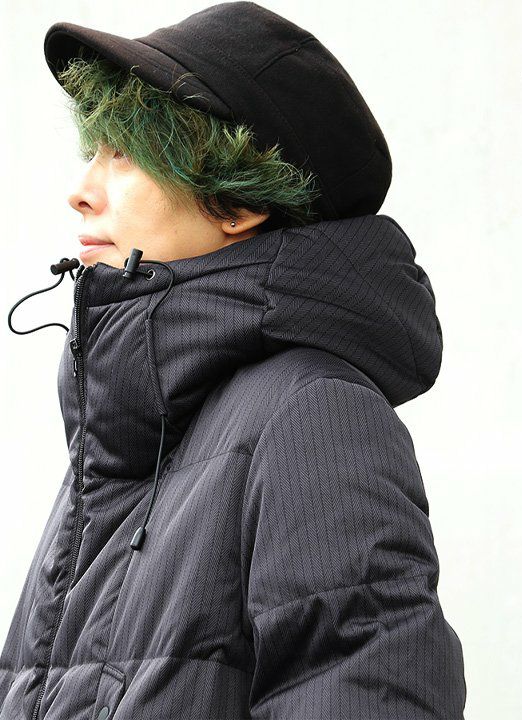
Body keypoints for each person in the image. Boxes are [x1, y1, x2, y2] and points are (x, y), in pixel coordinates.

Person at [0, 3, 467, 719]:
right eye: (94, 152)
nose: (82, 191)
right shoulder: (124, 429)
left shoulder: (312, 415)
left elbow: (366, 688)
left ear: (235, 201)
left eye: (125, 155)